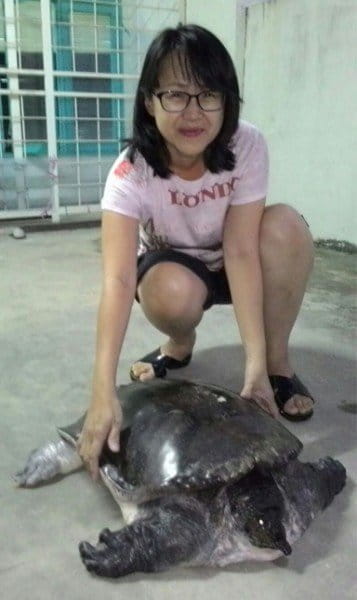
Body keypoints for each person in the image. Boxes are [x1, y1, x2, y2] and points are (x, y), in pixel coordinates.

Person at [77, 23, 315, 480]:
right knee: (168, 291)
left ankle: (277, 364)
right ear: (149, 100)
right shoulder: (130, 172)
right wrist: (101, 389)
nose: (194, 112)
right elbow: (118, 280)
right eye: (175, 95)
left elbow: (243, 250)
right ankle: (178, 345)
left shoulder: (247, 144)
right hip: (177, 268)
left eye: (209, 94)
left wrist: (253, 368)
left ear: (227, 100)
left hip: (230, 256)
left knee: (285, 227)